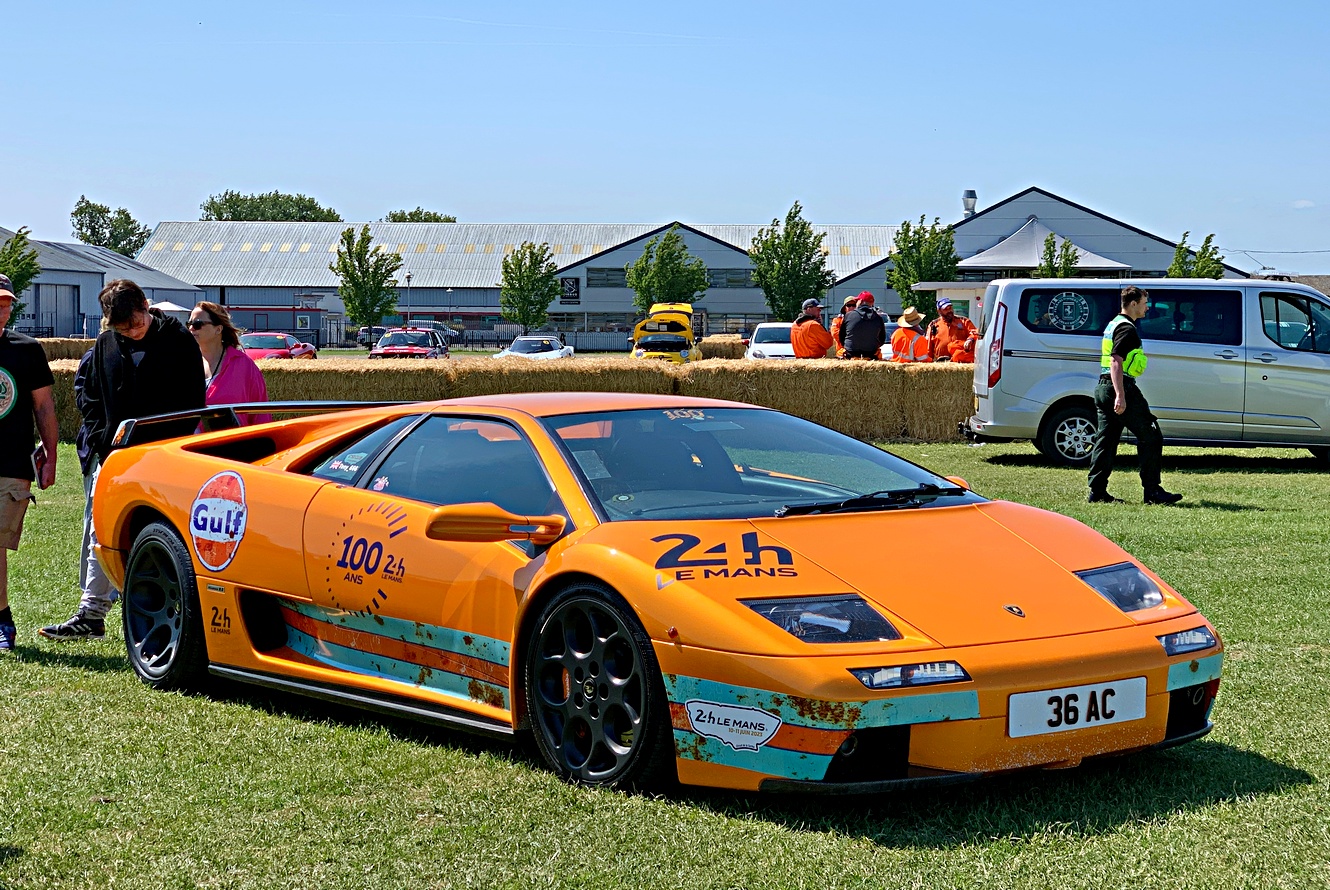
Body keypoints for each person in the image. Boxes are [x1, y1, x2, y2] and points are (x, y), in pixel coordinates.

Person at [40, 279, 206, 641]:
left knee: (158, 534)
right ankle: (91, 614)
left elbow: (194, 402)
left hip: (164, 458)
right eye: (123, 329)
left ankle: (163, 613)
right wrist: (103, 440)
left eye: (136, 323)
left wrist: (163, 446)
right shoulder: (106, 344)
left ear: (145, 305)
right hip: (114, 458)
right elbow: (91, 397)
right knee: (101, 530)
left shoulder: (178, 341)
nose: (132, 332)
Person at [0, 274, 58, 651]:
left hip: (11, 463)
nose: (3, 309)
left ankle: (2, 620)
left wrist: (50, 456)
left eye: (7, 302)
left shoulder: (27, 349)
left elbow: (44, 407)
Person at [1087, 285, 1182, 505]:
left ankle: (1097, 492)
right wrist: (1120, 395)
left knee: (1106, 440)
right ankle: (1152, 492)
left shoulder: (1113, 324)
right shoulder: (1126, 329)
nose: (1147, 308)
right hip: (1121, 388)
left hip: (1103, 387)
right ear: (1133, 304)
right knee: (1151, 435)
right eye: (1144, 303)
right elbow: (1115, 360)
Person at [188, 301, 271, 425]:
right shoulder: (185, 363)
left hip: (233, 437)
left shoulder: (244, 365)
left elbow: (261, 414)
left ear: (218, 329)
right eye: (189, 323)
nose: (191, 328)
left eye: (197, 324)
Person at [927, 296, 979, 362]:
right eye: (946, 309)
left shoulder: (964, 321)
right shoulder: (933, 325)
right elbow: (928, 347)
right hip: (940, 362)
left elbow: (975, 333)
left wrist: (970, 339)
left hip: (960, 361)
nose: (949, 311)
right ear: (939, 311)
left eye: (950, 308)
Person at [839, 291, 886, 360]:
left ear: (860, 301)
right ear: (872, 303)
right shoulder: (878, 318)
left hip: (851, 352)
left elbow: (841, 336)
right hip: (871, 353)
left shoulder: (849, 315)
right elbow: (882, 339)